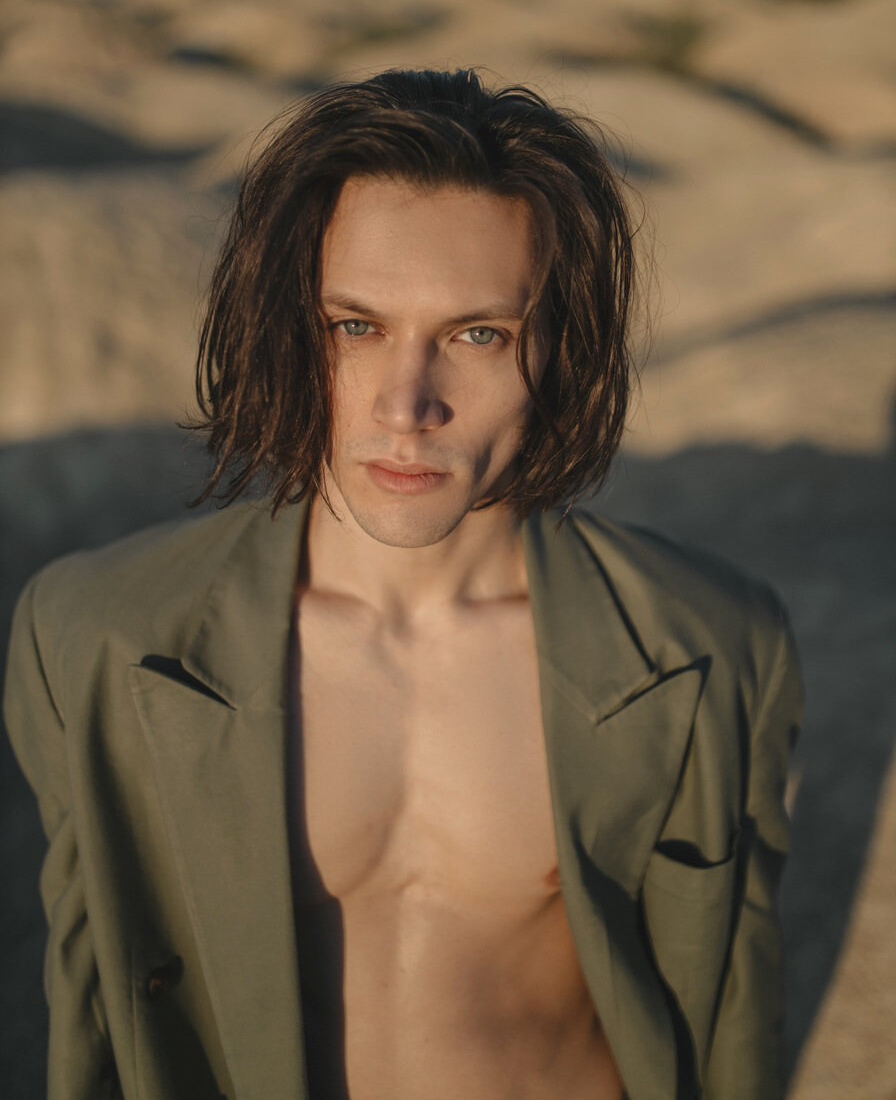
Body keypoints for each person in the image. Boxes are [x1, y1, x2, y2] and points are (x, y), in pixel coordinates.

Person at [4, 68, 802, 1100]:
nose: (406, 403)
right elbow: (93, 1006)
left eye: (477, 334)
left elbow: (728, 1009)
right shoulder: (95, 633)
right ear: (289, 327)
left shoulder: (711, 641)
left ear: (558, 348)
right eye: (356, 326)